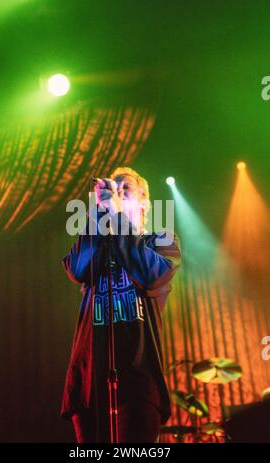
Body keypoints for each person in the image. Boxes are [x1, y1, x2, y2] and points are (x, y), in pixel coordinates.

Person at [60, 167, 182, 443]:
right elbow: (76, 269)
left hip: (139, 380)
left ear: (143, 202)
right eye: (112, 188)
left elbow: (150, 274)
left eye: (124, 188)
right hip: (88, 384)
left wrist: (116, 215)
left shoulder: (162, 240)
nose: (115, 192)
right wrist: (97, 213)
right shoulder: (96, 245)